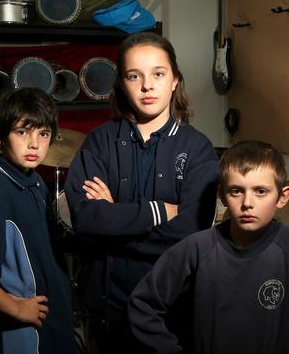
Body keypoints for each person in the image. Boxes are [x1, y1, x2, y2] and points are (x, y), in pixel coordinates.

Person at [63, 32, 219, 352]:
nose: (147, 86)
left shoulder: (198, 149)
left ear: (175, 80)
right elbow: (85, 218)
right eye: (135, 76)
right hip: (107, 309)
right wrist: (160, 211)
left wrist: (113, 219)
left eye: (158, 74)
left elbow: (190, 232)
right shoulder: (100, 142)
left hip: (172, 309)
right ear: (122, 83)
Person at [128, 140, 289, 354]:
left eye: (261, 191)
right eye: (236, 191)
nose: (247, 203)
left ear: (282, 197)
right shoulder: (197, 248)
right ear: (222, 195)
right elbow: (143, 305)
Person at [0, 87, 77, 354]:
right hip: (21, 334)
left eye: (43, 134)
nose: (34, 144)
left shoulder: (32, 179)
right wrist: (17, 307)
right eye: (22, 132)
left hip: (49, 322)